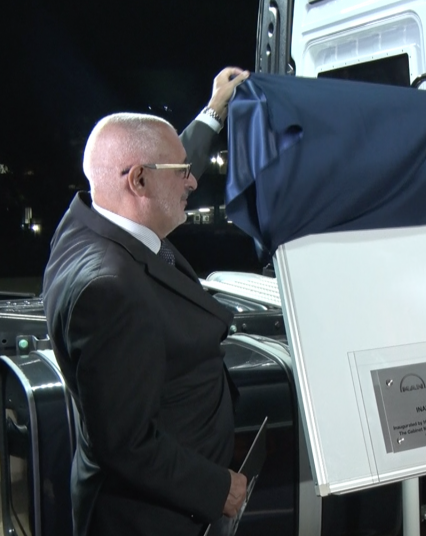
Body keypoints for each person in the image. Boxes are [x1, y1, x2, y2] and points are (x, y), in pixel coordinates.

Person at [42, 67, 250, 536]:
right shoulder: (109, 290)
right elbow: (126, 443)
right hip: (149, 518)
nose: (192, 182)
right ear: (137, 182)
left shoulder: (91, 221)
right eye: (183, 173)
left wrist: (213, 112)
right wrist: (217, 488)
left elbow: (162, 165)